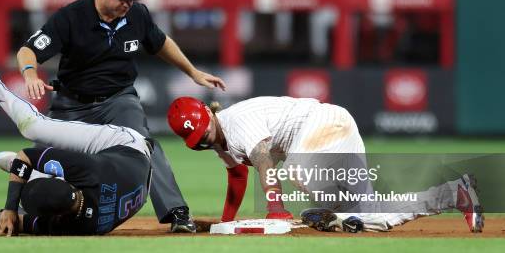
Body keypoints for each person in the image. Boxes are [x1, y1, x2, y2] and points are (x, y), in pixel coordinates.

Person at [15, 0, 226, 233]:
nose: (128, 3)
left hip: (118, 101)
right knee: (40, 154)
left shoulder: (137, 15)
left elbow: (160, 42)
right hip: (72, 105)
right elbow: (27, 51)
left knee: (144, 145)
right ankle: (17, 215)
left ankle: (177, 212)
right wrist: (30, 74)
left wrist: (192, 72)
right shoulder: (72, 17)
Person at [166, 96, 484, 233]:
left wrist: (275, 208)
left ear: (209, 113)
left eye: (204, 131)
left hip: (326, 124)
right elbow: (237, 177)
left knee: (295, 170)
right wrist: (226, 222)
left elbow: (262, 159)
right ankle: (453, 193)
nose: (204, 139)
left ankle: (336, 217)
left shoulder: (236, 123)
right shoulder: (218, 140)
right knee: (374, 216)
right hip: (330, 133)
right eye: (198, 140)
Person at [0, 60, 152, 236]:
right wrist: (10, 208)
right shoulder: (87, 173)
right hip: (128, 146)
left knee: (18, 161)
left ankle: (33, 174)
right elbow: (25, 155)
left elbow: (22, 224)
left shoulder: (78, 226)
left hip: (135, 183)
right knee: (33, 127)